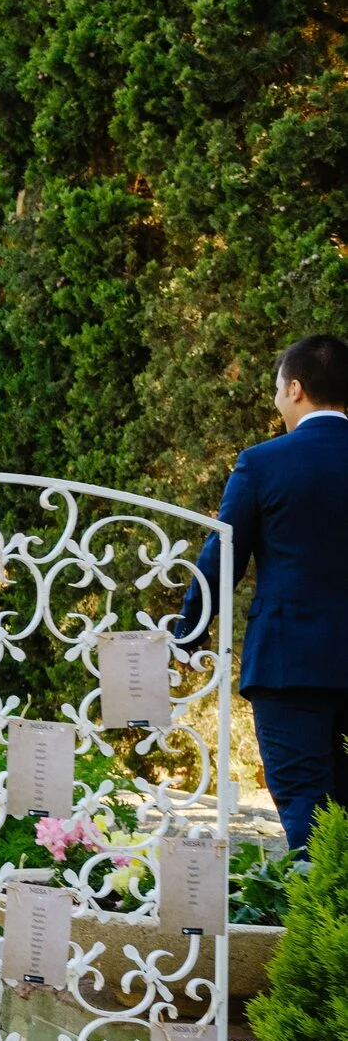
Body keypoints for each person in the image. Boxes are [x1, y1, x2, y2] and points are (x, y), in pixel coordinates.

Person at [184, 335, 348, 849]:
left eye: (278, 390)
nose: (277, 401)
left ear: (295, 389)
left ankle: (324, 921)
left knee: (306, 807)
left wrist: (188, 632)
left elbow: (223, 555)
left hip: (289, 663)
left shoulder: (263, 462)